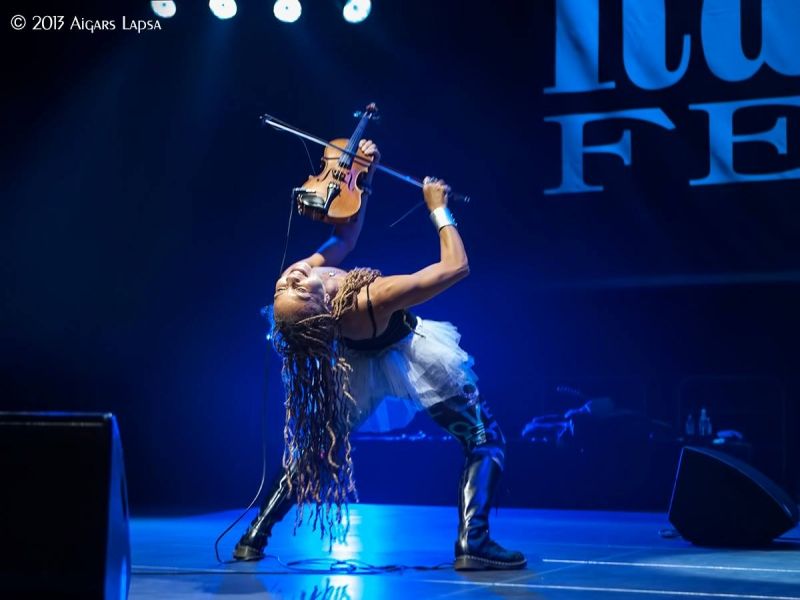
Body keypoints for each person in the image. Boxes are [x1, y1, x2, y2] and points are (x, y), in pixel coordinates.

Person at [233, 139, 526, 570]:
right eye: (295, 287)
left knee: (316, 446)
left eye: (283, 284)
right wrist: (438, 208)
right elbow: (455, 267)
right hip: (414, 357)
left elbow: (344, 236)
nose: (292, 275)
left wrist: (360, 178)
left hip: (355, 365)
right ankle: (473, 542)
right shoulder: (371, 297)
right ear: (321, 307)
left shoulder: (307, 286)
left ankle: (255, 534)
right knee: (484, 438)